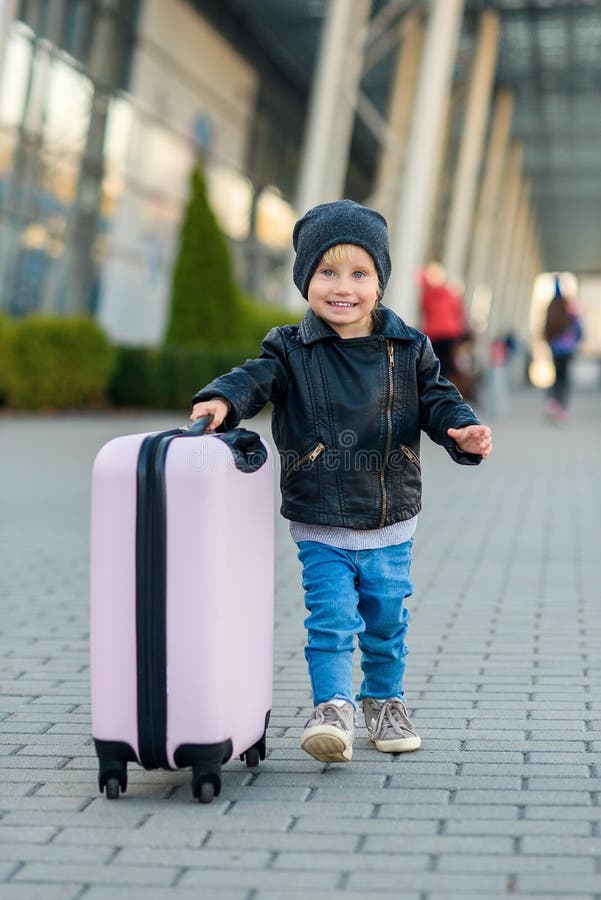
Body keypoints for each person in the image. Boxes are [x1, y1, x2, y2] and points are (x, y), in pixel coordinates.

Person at [190, 200, 492, 764]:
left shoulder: (410, 348)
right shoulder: (289, 349)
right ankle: (333, 707)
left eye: (359, 274)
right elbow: (254, 379)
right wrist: (222, 399)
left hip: (389, 514)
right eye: (327, 272)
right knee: (329, 617)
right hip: (320, 516)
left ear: (380, 282)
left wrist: (461, 428)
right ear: (306, 279)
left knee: (385, 618)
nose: (342, 287)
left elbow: (437, 399)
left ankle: (384, 701)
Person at [418, 262, 469, 381]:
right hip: (449, 334)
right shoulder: (450, 292)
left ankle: (432, 389)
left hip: (434, 333)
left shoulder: (427, 294)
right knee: (444, 366)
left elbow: (425, 312)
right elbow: (459, 312)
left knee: (432, 364)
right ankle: (441, 392)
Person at [544, 275, 583, 423]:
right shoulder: (571, 310)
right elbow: (579, 329)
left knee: (557, 376)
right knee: (565, 379)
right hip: (567, 349)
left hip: (555, 348)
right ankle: (561, 408)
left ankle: (553, 401)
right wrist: (577, 342)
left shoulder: (552, 307)